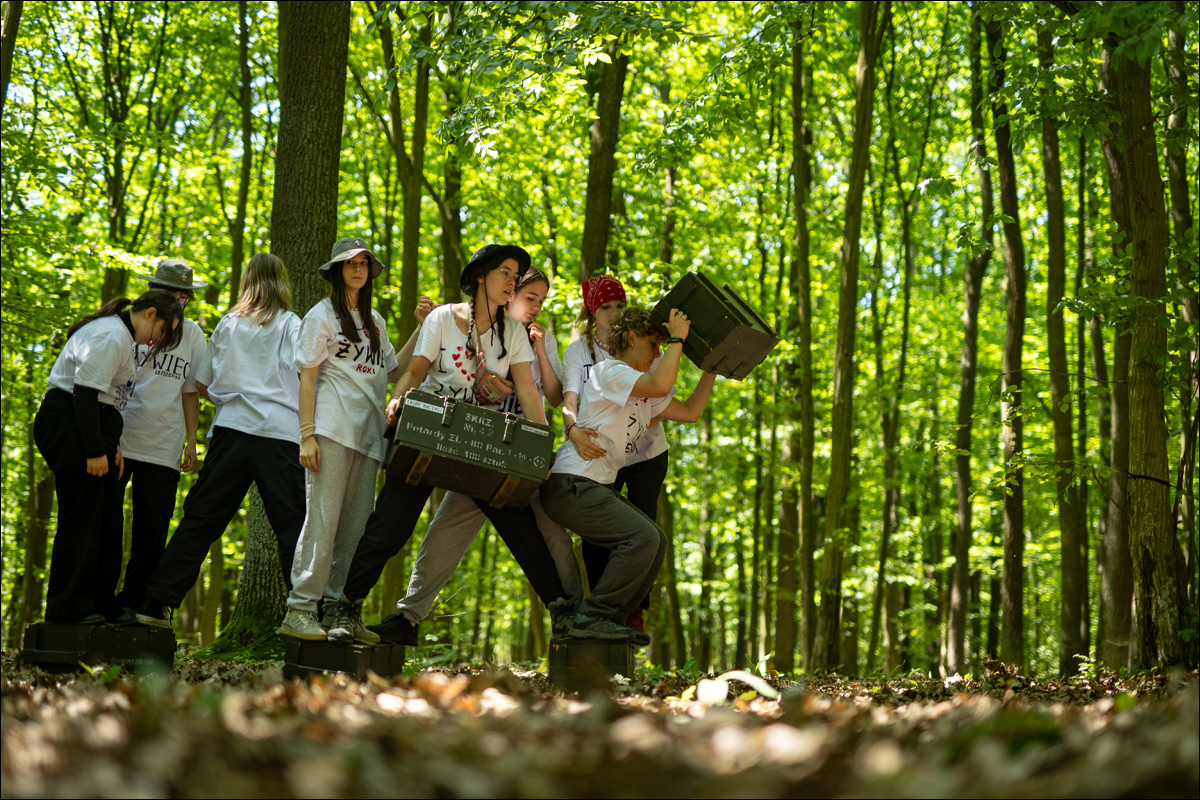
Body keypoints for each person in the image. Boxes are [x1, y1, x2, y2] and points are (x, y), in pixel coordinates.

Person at [328, 243, 572, 643]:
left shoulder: (512, 333)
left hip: (481, 443)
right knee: (390, 524)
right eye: (505, 273)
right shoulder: (442, 318)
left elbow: (529, 393)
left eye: (516, 276)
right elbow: (415, 372)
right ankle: (346, 606)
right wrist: (396, 399)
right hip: (429, 433)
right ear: (480, 276)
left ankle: (562, 610)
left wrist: (540, 446)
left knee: (517, 523)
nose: (511, 282)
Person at [135, 253, 304, 628]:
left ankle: (155, 604)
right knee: (293, 525)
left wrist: (235, 396)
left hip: (231, 430)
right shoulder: (291, 323)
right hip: (278, 434)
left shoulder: (230, 322)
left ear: (247, 281)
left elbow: (202, 384)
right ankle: (305, 613)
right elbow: (307, 377)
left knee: (201, 520)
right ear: (282, 282)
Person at [280, 238, 432, 643]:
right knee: (322, 523)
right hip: (330, 431)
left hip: (369, 437)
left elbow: (394, 369)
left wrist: (423, 328)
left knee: (354, 532)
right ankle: (300, 609)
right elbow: (307, 379)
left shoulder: (375, 321)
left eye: (365, 262)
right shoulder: (321, 315)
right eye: (351, 263)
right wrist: (306, 436)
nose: (359, 268)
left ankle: (338, 611)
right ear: (336, 270)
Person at [541, 306, 716, 642]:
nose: (658, 354)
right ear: (632, 338)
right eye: (654, 345)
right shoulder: (610, 372)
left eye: (661, 348)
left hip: (593, 488)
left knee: (656, 541)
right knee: (643, 538)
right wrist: (678, 338)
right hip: (571, 484)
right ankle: (593, 616)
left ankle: (611, 621)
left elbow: (691, 411)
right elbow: (660, 384)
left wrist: (711, 369)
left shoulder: (643, 396)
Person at [34, 289, 183, 624]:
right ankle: (66, 607)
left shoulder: (122, 338)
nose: (156, 340)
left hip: (95, 426)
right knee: (82, 517)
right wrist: (93, 451)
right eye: (161, 331)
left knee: (108, 519)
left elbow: (107, 398)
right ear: (150, 313)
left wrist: (111, 444)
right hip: (71, 423)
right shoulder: (110, 336)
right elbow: (84, 394)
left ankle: (101, 601)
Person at [561, 275, 670, 632]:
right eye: (605, 307)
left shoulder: (645, 344)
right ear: (592, 312)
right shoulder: (580, 352)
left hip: (646, 453)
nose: (613, 313)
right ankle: (599, 614)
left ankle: (631, 611)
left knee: (647, 533)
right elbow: (569, 399)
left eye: (620, 305)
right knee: (601, 536)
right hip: (599, 456)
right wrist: (572, 429)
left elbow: (662, 393)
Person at [112, 259, 209, 622]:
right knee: (105, 523)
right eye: (171, 292)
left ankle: (133, 604)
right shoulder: (128, 327)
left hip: (163, 446)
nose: (178, 299)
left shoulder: (194, 336)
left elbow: (190, 391)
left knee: (151, 534)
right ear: (153, 290)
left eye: (184, 295)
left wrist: (191, 441)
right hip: (121, 439)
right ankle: (97, 599)